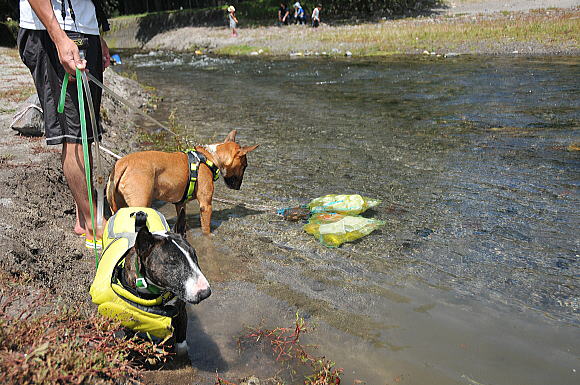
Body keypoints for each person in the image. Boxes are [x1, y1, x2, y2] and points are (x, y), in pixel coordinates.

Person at [18, 0, 110, 249]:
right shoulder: (57, 35)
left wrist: (95, 34)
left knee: (85, 132)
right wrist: (59, 38)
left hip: (81, 30)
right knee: (75, 134)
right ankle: (93, 225)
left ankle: (84, 218)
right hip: (55, 32)